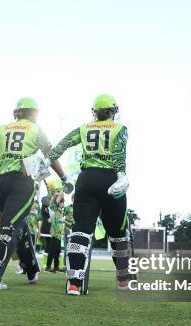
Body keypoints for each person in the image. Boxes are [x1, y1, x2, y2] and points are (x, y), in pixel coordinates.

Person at [0, 97, 71, 290]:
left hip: (1, 183)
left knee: (19, 225)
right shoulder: (36, 129)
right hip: (22, 183)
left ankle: (32, 270)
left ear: (16, 112)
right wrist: (64, 178)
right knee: (9, 227)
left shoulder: (3, 128)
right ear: (35, 113)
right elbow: (50, 155)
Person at [43, 94, 132, 295]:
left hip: (86, 180)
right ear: (112, 111)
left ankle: (74, 283)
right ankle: (123, 280)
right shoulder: (120, 128)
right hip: (110, 179)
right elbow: (119, 154)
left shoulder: (84, 128)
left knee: (80, 232)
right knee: (118, 233)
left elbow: (62, 145)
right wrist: (121, 175)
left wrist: (46, 163)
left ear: (95, 112)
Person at [46, 191, 64, 272]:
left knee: (57, 251)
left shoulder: (60, 211)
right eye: (62, 202)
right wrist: (63, 189)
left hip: (59, 234)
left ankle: (56, 267)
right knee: (52, 251)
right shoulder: (53, 207)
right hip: (55, 232)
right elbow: (59, 197)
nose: (63, 204)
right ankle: (48, 266)